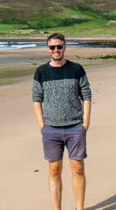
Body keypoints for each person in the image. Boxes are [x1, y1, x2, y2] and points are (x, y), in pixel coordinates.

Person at [32, 33, 92, 210]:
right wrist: (42, 126)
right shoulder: (41, 72)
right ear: (48, 49)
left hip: (75, 127)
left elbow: (87, 95)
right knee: (54, 171)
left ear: (65, 47)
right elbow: (36, 99)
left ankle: (79, 208)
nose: (56, 50)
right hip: (51, 129)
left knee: (78, 168)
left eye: (59, 46)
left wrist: (85, 123)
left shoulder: (77, 69)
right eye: (53, 47)